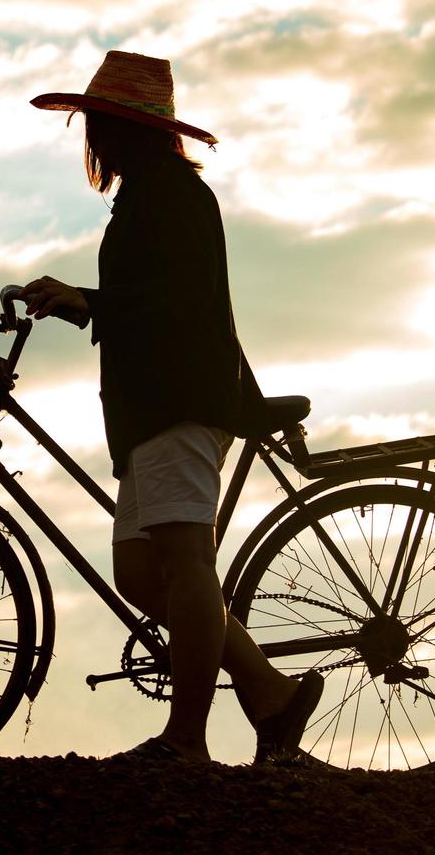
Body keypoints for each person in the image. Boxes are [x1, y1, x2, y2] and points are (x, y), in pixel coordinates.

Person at [19, 50, 322, 764]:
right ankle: (271, 696)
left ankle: (187, 741)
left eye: (99, 122)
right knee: (142, 574)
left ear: (128, 130)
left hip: (178, 401)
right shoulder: (149, 192)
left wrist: (86, 301)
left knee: (186, 563)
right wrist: (85, 303)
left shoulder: (172, 195)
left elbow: (175, 304)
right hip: (153, 408)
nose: (92, 136)